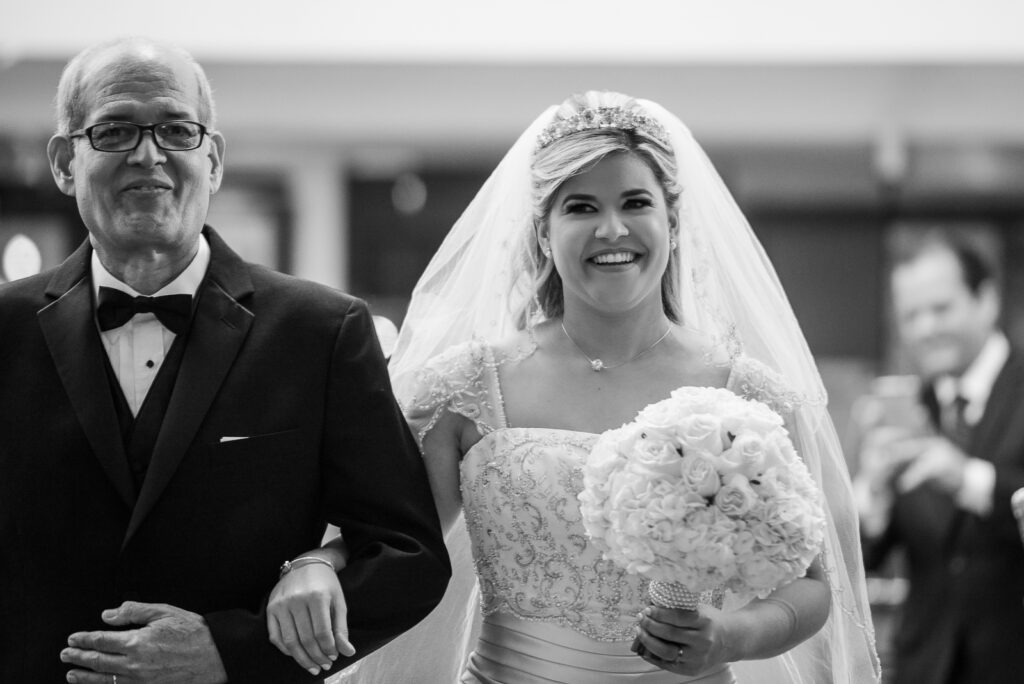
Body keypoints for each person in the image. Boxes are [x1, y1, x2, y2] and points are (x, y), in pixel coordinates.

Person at [271, 91, 880, 683]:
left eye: (635, 203)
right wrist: (316, 563)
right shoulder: (465, 386)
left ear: (672, 222)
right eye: (581, 207)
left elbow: (809, 584)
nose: (611, 229)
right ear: (544, 233)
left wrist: (729, 636)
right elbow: (395, 540)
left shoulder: (749, 395)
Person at [0, 37, 450, 683]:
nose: (148, 153)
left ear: (212, 159)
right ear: (64, 161)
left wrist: (232, 651)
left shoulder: (322, 332)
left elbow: (408, 558)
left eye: (177, 130)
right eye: (115, 129)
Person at [854, 230, 1024, 683]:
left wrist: (967, 478)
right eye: (911, 315)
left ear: (986, 299)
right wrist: (873, 493)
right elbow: (868, 554)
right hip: (923, 666)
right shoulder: (908, 409)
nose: (925, 328)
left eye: (940, 309)